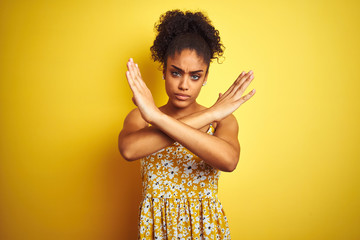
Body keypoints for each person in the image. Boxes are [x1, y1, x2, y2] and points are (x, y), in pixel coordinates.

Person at [118, 9, 255, 239]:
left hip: (206, 230)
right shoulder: (141, 117)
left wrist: (158, 118)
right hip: (159, 231)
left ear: (206, 77)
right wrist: (209, 113)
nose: (184, 85)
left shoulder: (223, 120)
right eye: (176, 72)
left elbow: (229, 161)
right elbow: (129, 150)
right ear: (163, 70)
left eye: (195, 76)